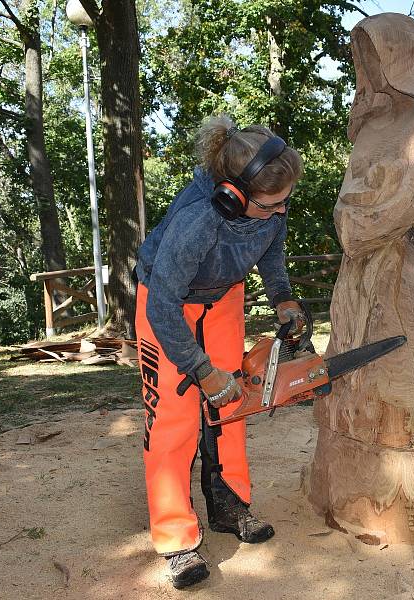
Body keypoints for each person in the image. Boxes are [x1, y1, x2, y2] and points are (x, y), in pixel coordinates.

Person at [134, 114, 305, 589]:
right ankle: (176, 540)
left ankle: (229, 503)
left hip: (223, 297)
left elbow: (271, 248)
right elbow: (164, 304)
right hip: (166, 303)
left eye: (285, 201)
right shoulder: (198, 220)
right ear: (234, 196)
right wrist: (200, 369)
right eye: (272, 203)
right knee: (172, 418)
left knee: (234, 401)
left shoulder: (270, 209)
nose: (281, 210)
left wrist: (283, 297)